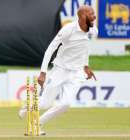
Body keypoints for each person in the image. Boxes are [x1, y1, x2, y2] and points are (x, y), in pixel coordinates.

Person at [19, 5, 97, 134]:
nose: (94, 16)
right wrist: (43, 73)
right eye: (91, 14)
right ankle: (26, 107)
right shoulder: (68, 30)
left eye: (94, 13)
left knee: (65, 105)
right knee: (45, 103)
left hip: (77, 73)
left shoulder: (93, 29)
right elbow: (50, 49)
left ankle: (37, 124)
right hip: (60, 70)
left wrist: (86, 66)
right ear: (82, 16)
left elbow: (85, 48)